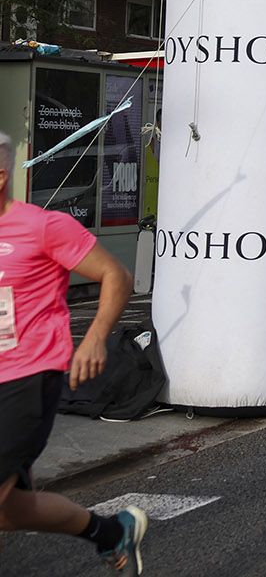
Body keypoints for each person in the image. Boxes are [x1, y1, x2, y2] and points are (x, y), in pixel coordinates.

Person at [0, 131, 148, 572]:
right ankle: (109, 532)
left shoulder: (43, 226)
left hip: (27, 377)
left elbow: (115, 275)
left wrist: (96, 337)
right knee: (12, 512)